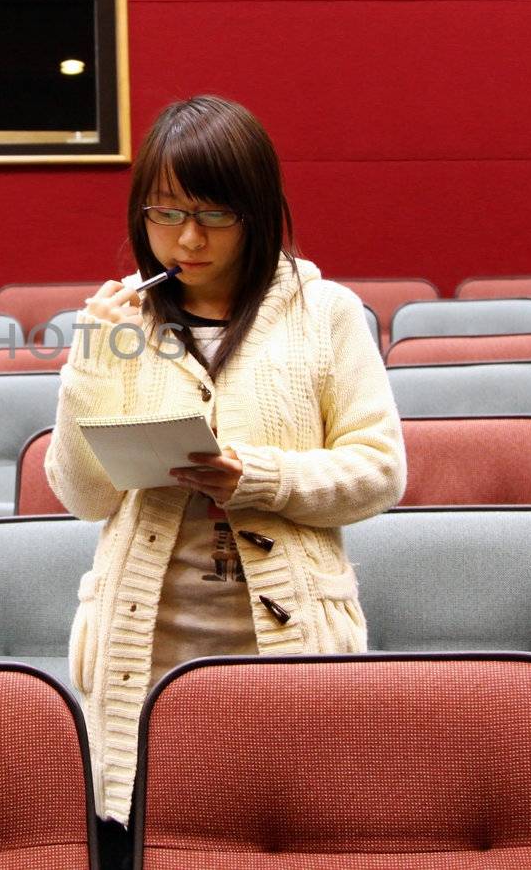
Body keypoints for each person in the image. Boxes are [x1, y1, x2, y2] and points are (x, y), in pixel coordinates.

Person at [45, 94, 406, 857]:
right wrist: (86, 362)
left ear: (257, 211)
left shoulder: (325, 312)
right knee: (145, 835)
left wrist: (255, 477)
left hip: (288, 640)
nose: (185, 238)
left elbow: (379, 471)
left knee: (289, 833)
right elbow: (83, 495)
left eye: (212, 215)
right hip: (146, 647)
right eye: (164, 212)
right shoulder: (122, 325)